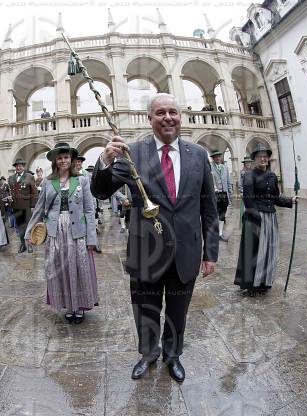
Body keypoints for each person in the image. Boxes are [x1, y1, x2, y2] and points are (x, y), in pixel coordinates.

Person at [91, 93, 219, 383]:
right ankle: (148, 353)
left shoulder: (197, 155)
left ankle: (172, 355)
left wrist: (210, 253)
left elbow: (209, 207)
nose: (168, 117)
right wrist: (105, 159)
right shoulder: (132, 152)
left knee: (178, 310)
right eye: (160, 112)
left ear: (181, 117)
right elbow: (100, 192)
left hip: (186, 250)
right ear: (150, 119)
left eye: (173, 111)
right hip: (146, 249)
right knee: (146, 309)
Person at [25, 142, 98, 324]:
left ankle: (79, 306)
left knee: (79, 267)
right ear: (55, 161)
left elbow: (89, 210)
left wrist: (91, 237)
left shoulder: (82, 180)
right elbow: (40, 208)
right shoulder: (49, 182)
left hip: (77, 232)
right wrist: (28, 233)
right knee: (60, 268)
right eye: (60, 158)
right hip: (55, 232)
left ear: (71, 160)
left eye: (66, 157)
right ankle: (67, 305)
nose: (63, 160)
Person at [234, 144, 297, 296]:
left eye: (266, 156)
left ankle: (264, 282)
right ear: (254, 159)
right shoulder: (249, 176)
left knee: (269, 251)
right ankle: (251, 284)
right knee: (255, 251)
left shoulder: (272, 176)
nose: (263, 158)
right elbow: (248, 200)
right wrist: (255, 220)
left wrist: (290, 201)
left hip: (271, 217)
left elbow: (275, 197)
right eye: (260, 156)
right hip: (256, 218)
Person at [8, 159, 38, 253]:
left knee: (28, 226)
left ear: (23, 166)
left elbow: (34, 192)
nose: (18, 167)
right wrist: (9, 200)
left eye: (20, 165)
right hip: (16, 206)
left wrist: (33, 205)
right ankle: (22, 244)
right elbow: (11, 192)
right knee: (20, 226)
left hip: (26, 205)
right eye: (17, 166)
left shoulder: (29, 177)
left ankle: (30, 245)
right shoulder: (11, 178)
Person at [210, 149, 233, 241]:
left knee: (222, 214)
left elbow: (228, 182)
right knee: (214, 214)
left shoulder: (225, 167)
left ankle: (220, 233)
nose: (218, 158)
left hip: (224, 194)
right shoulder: (210, 168)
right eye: (215, 157)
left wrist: (230, 196)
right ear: (213, 158)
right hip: (215, 194)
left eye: (219, 156)